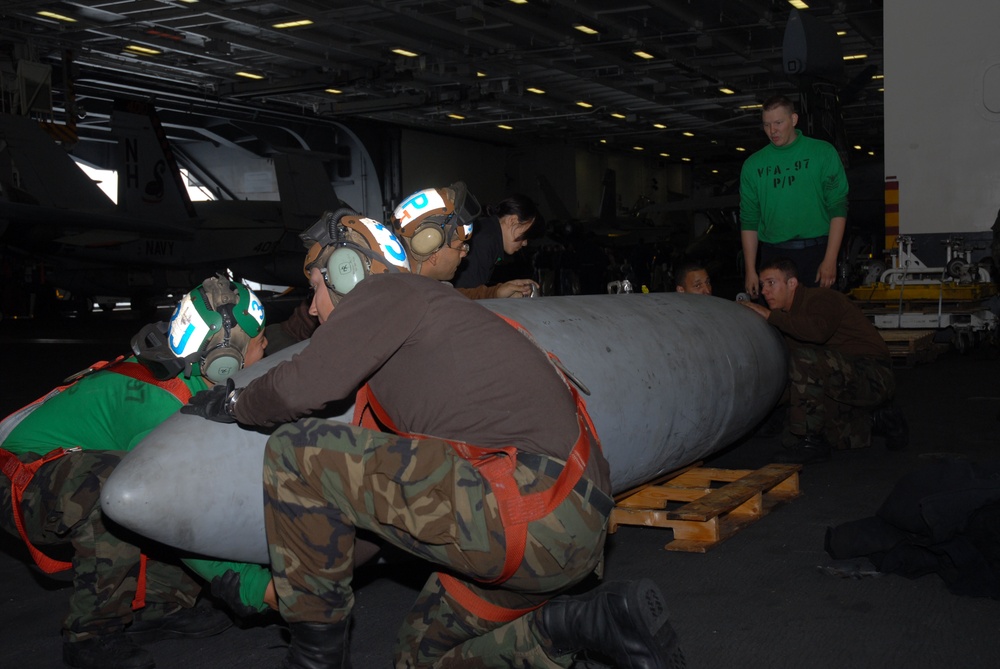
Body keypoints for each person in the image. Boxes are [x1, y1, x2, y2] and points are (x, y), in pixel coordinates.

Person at [182, 188, 685, 669]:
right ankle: (581, 624)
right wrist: (278, 577)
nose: (312, 309)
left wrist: (236, 402)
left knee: (297, 451)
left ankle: (315, 658)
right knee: (419, 657)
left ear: (347, 270)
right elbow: (376, 519)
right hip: (560, 531)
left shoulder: (390, 291)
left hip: (527, 508)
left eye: (314, 288)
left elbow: (301, 388)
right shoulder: (424, 338)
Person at [0, 276, 269, 669]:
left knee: (163, 482)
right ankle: (90, 635)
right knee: (121, 488)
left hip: (50, 468)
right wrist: (253, 586)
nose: (267, 346)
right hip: (18, 483)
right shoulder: (160, 409)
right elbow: (183, 513)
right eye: (262, 342)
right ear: (224, 360)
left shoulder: (187, 370)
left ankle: (159, 608)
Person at [740, 257, 909, 464]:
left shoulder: (821, 299)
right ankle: (880, 421)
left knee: (804, 359)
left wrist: (770, 317)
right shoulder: (788, 318)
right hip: (841, 378)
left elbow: (818, 333)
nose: (764, 291)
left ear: (792, 283)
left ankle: (811, 442)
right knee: (797, 433)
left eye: (771, 283)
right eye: (763, 284)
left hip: (873, 374)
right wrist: (764, 412)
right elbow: (794, 376)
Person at [739, 95, 849, 298]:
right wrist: (750, 270)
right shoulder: (753, 165)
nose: (772, 131)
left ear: (794, 120)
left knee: (818, 322)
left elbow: (838, 207)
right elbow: (749, 220)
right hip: (773, 257)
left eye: (778, 123)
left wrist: (830, 259)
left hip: (816, 254)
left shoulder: (822, 153)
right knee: (774, 325)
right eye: (766, 125)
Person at [451, 191, 541, 298]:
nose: (525, 243)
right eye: (525, 235)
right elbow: (465, 297)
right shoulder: (485, 240)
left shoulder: (487, 232)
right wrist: (496, 293)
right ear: (512, 220)